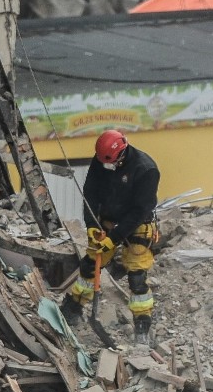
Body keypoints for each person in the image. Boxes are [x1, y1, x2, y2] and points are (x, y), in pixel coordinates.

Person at [60, 129, 160, 343]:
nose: (108, 167)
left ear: (122, 153)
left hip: (136, 223)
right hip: (106, 220)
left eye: (112, 163)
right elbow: (90, 193)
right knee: (89, 265)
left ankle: (142, 327)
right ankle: (72, 310)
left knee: (137, 277)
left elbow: (139, 211)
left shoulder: (146, 169)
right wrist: (90, 225)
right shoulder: (100, 161)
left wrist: (113, 239)